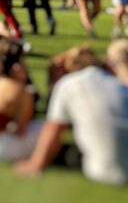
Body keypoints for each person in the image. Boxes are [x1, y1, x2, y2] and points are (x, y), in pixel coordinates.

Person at [17, 41, 128, 186]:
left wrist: (36, 164)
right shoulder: (118, 85)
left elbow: (53, 129)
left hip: (104, 172)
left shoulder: (68, 84)